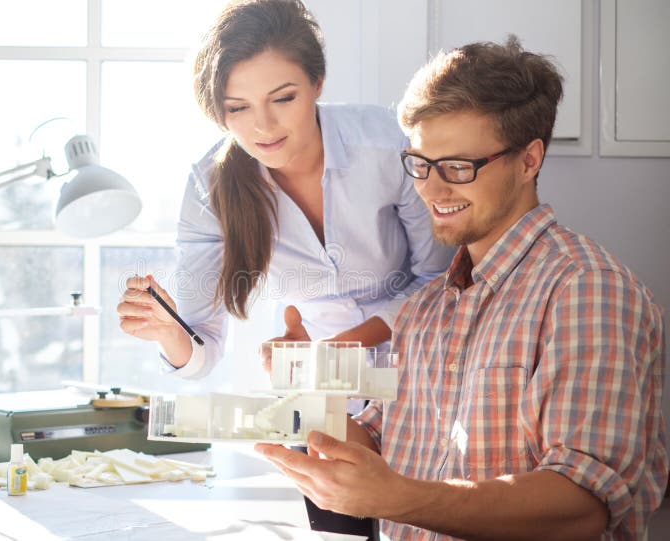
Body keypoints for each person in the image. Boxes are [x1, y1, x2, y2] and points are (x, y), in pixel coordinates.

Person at [256, 36, 668, 541]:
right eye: (421, 164)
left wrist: (395, 498)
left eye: (458, 167)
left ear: (529, 160)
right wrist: (302, 388)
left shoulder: (587, 292)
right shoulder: (424, 309)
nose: (431, 189)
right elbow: (382, 443)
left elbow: (581, 504)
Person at [117, 0, 451, 383]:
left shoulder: (389, 146)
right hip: (318, 391)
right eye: (238, 108)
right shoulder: (208, 187)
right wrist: (168, 331)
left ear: (317, 82)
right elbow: (200, 354)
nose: (264, 126)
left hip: (424, 373)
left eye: (283, 98)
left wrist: (340, 348)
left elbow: (440, 278)